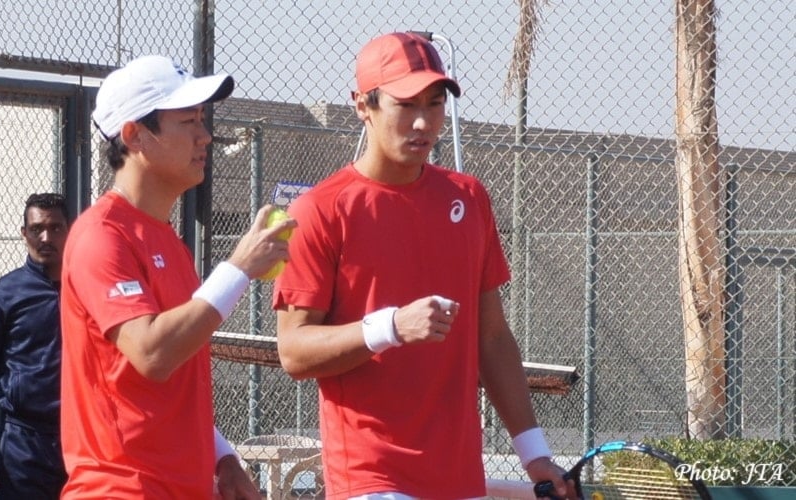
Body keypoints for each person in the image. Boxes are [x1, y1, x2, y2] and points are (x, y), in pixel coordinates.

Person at [272, 32, 574, 500]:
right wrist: (389, 326)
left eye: (435, 104)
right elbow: (293, 351)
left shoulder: (468, 198)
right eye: (405, 104)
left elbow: (492, 337)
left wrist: (534, 453)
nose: (422, 122)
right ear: (362, 106)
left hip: (459, 478)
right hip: (371, 479)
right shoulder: (319, 210)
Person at [59, 55, 293, 499]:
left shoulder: (169, 243)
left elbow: (175, 386)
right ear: (134, 135)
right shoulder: (100, 236)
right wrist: (239, 268)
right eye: (188, 120)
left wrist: (223, 459)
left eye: (202, 120)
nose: (205, 136)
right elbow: (151, 352)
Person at [0, 193, 70, 498]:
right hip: (24, 448)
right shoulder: (3, 295)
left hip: (83, 442)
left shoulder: (89, 288)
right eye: (37, 229)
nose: (46, 237)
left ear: (69, 230)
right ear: (24, 234)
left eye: (56, 228)